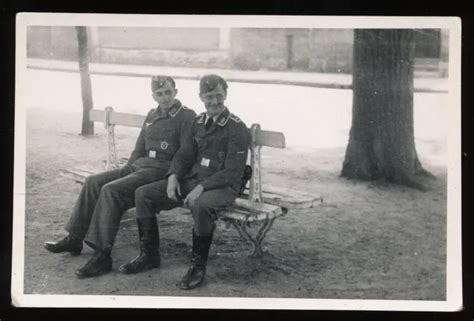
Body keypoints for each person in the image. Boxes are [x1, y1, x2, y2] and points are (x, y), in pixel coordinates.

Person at [44, 75, 196, 279]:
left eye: (168, 92)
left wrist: (173, 175)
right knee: (93, 182)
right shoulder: (152, 115)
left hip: (161, 170)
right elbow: (139, 147)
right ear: (153, 96)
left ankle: (102, 255)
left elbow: (185, 151)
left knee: (111, 190)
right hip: (140, 166)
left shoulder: (186, 116)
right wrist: (127, 169)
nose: (165, 97)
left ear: (176, 92)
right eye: (159, 94)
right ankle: (75, 238)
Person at [119, 74, 250, 290]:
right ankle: (149, 255)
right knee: (144, 194)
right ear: (201, 97)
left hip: (223, 186)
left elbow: (232, 171)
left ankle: (197, 267)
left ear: (226, 95)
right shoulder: (198, 122)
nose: (214, 102)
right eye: (209, 97)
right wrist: (172, 177)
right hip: (193, 182)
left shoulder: (236, 127)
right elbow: (185, 154)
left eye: (219, 96)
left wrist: (201, 188)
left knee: (201, 205)